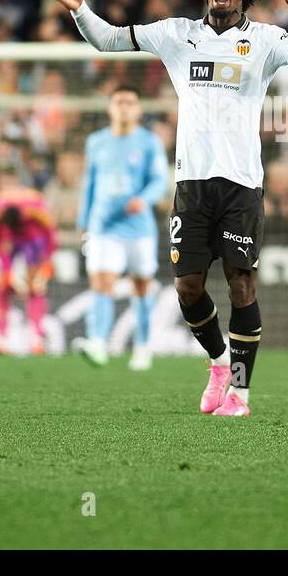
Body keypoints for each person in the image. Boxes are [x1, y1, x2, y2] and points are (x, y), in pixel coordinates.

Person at [53, 0, 288, 416]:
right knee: (187, 288)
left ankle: (240, 394)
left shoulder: (265, 40)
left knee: (242, 284)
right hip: (192, 184)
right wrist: (81, 10)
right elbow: (110, 40)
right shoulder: (176, 35)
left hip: (242, 183)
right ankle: (219, 363)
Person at [73, 86, 169, 370]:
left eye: (130, 102)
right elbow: (89, 182)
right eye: (119, 102)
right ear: (110, 108)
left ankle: (142, 346)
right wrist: (84, 220)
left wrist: (144, 200)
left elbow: (158, 181)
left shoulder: (150, 142)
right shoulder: (96, 142)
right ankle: (98, 344)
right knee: (102, 282)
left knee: (141, 286)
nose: (124, 107)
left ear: (138, 109)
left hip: (138, 227)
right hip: (103, 225)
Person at [0, 175, 58, 356]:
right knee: (1, 286)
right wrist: (10, 277)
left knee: (36, 288)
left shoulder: (36, 212)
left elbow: (50, 240)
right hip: (12, 241)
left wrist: (43, 271)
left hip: (34, 242)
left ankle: (37, 340)